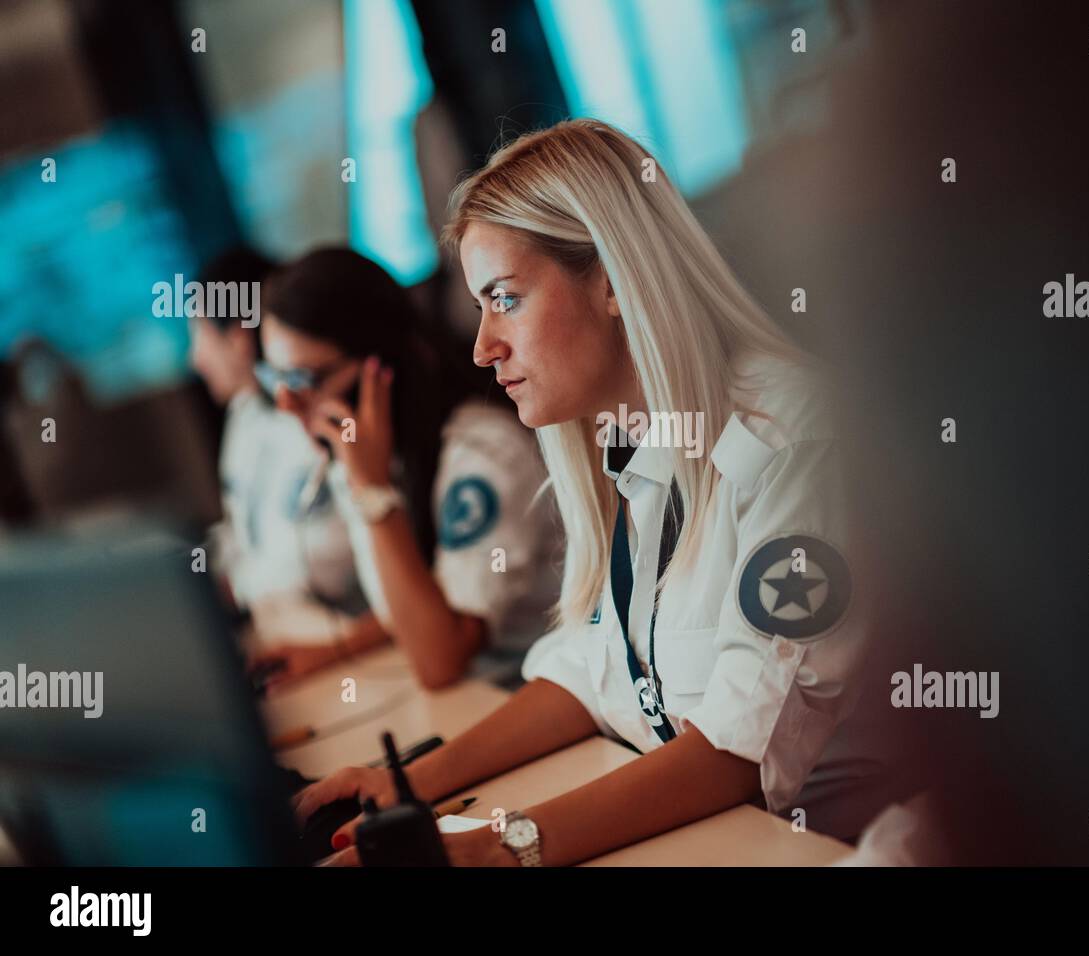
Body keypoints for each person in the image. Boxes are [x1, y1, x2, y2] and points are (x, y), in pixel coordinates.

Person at [294, 120, 883, 865]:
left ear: (610, 281)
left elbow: (735, 752)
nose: (482, 347)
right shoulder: (634, 443)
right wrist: (405, 785)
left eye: (505, 298)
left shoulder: (792, 443)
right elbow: (591, 669)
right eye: (479, 307)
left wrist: (500, 850)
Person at [248, 248, 559, 689]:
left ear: (381, 364)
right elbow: (426, 594)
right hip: (484, 691)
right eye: (274, 379)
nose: (285, 404)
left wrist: (373, 494)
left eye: (305, 380)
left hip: (532, 690)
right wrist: (337, 650)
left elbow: (441, 658)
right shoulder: (380, 455)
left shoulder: (481, 455)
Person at [191, 247, 373, 662]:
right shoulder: (245, 417)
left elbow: (323, 559)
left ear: (238, 337)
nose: (195, 359)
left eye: (198, 335)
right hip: (279, 631)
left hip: (345, 636)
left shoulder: (328, 414)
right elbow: (243, 533)